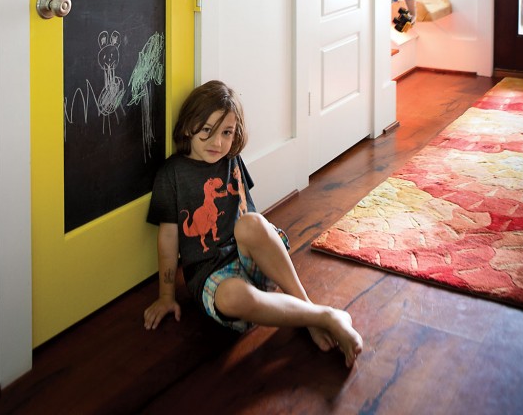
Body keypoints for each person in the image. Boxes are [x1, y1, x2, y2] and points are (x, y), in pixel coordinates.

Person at [143, 81, 363, 369]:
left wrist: (258, 239)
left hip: (252, 261)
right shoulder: (171, 175)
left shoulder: (232, 159)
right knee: (234, 295)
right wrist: (166, 296)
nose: (218, 143)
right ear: (188, 127)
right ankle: (321, 316)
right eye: (207, 130)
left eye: (226, 133)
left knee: (250, 223)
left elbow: (249, 215)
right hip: (214, 277)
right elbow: (168, 239)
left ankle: (307, 307)